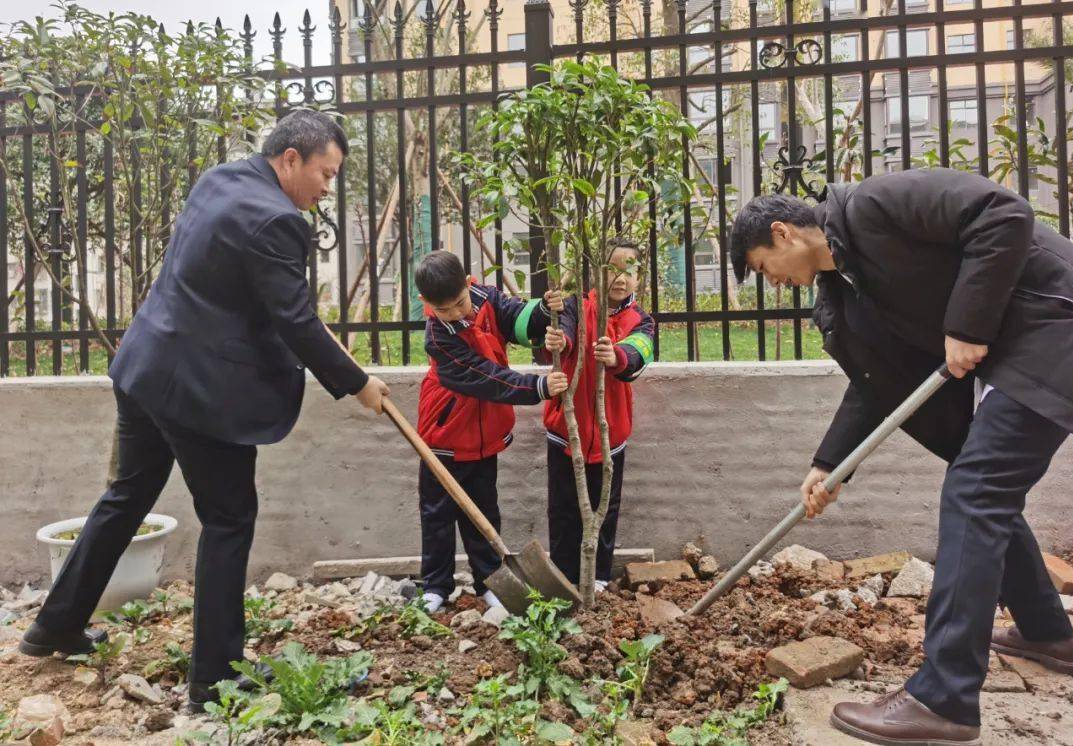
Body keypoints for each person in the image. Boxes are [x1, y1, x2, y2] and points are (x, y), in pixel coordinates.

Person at [20, 109, 390, 710]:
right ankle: (214, 680)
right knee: (229, 518)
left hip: (145, 366)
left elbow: (235, 292)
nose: (327, 188)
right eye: (325, 173)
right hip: (197, 391)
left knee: (127, 496)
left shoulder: (220, 179)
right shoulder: (278, 221)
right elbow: (292, 319)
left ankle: (54, 624)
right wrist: (356, 382)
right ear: (290, 159)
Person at [730, 167, 1073, 746]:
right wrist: (829, 464)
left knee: (976, 491)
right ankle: (1047, 632)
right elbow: (875, 382)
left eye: (764, 268)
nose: (773, 283)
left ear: (783, 233)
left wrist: (967, 323)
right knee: (981, 488)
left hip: (1055, 322)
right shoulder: (849, 292)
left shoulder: (873, 206)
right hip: (1019, 350)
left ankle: (943, 699)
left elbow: (1003, 215)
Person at [414, 250, 568, 613]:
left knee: (484, 509)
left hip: (485, 435)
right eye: (445, 309)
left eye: (459, 303)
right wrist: (537, 388)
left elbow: (518, 319)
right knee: (437, 513)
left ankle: (489, 581)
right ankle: (436, 585)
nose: (455, 313)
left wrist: (545, 311)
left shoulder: (487, 300)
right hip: (444, 434)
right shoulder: (438, 337)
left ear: (469, 284)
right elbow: (485, 377)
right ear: (427, 303)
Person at [542, 237, 655, 592]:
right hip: (566, 431)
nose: (621, 278)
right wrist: (558, 342)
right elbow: (563, 342)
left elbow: (639, 354)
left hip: (612, 436)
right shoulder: (575, 306)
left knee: (605, 508)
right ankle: (563, 576)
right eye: (611, 269)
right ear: (594, 273)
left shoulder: (641, 320)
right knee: (563, 510)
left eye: (629, 270)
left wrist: (617, 356)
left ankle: (600, 577)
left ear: (639, 277)